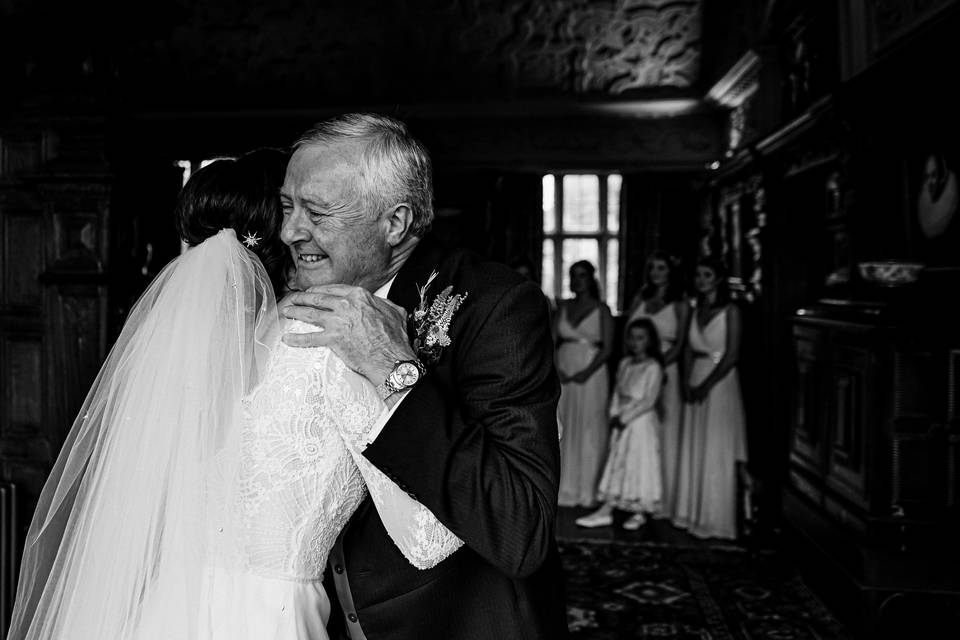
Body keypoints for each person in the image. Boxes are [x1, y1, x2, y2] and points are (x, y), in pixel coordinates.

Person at [6, 148, 462, 640]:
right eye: (295, 211)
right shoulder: (326, 346)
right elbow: (428, 539)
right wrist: (403, 375)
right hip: (268, 619)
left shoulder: (180, 356)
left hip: (161, 611)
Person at [278, 113, 566, 640]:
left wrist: (394, 371)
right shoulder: (292, 300)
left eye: (316, 212)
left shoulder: (494, 305)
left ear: (395, 223)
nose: (290, 231)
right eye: (287, 207)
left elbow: (521, 528)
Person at [674, 257, 747, 540]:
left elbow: (732, 355)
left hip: (720, 382)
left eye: (706, 275)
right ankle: (692, 511)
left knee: (716, 443)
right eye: (698, 275)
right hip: (695, 376)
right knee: (696, 442)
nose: (701, 280)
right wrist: (687, 380)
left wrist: (707, 384)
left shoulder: (731, 311)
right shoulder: (695, 308)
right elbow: (689, 349)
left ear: (718, 279)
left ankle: (715, 517)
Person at [575, 317, 665, 530]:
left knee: (638, 463)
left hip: (640, 422)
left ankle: (639, 510)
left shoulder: (653, 367)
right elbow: (617, 391)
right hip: (621, 419)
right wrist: (614, 414)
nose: (635, 343)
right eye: (632, 338)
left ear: (650, 341)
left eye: (640, 338)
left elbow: (648, 400)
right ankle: (607, 508)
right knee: (617, 461)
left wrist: (625, 418)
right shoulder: (624, 363)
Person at [623, 250, 689, 522]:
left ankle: (662, 499)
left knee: (663, 433)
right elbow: (626, 336)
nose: (656, 273)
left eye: (661, 268)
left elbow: (682, 342)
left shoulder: (681, 305)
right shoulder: (640, 298)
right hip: (637, 371)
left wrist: (657, 369)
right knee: (636, 433)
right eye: (652, 268)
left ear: (670, 272)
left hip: (665, 371)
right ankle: (635, 495)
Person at [553, 260, 614, 508]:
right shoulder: (563, 309)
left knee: (589, 427)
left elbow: (608, 347)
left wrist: (586, 371)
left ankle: (588, 489)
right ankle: (564, 488)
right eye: (573, 276)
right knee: (564, 426)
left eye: (582, 275)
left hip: (592, 375)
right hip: (564, 374)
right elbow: (552, 342)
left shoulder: (602, 309)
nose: (577, 280)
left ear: (591, 279)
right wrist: (558, 369)